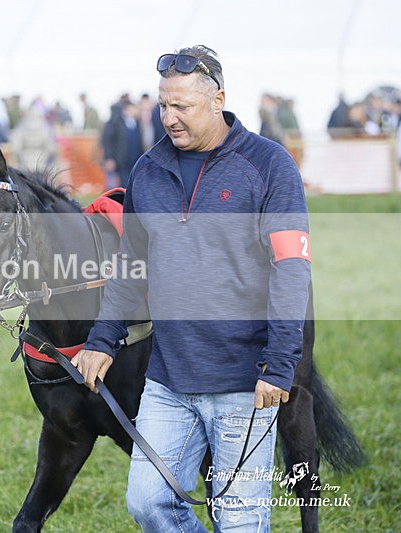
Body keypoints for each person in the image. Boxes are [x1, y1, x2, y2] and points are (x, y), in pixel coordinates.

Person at [72, 45, 311, 531]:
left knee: (239, 521)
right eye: (163, 105)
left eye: (182, 106)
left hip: (246, 381)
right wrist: (101, 339)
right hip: (168, 379)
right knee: (147, 502)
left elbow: (292, 270)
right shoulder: (147, 170)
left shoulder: (269, 165)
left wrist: (281, 363)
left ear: (218, 99)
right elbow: (130, 263)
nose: (169, 118)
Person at [8, 104, 57, 171]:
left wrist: (19, 160)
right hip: (42, 165)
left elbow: (15, 148)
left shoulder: (21, 127)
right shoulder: (46, 128)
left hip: (24, 166)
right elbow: (50, 148)